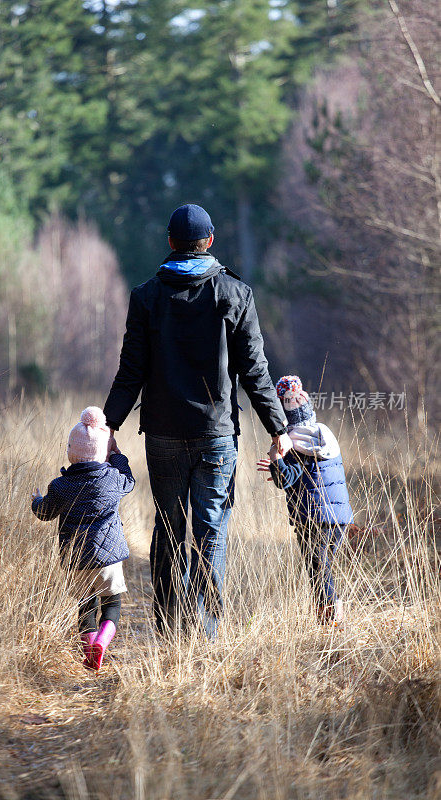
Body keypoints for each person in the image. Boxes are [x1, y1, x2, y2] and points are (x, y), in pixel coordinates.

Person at [104, 203, 291, 638]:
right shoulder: (235, 294)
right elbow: (255, 371)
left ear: (170, 242)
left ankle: (170, 628)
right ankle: (204, 631)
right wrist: (279, 430)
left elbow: (130, 371)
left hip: (164, 434)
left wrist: (109, 427)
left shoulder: (146, 297)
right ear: (210, 241)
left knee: (168, 526)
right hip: (216, 435)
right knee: (211, 529)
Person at [31, 406, 134, 671]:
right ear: (103, 453)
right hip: (109, 560)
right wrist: (117, 457)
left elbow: (45, 513)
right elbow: (129, 481)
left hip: (77, 559)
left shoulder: (60, 486)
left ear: (71, 452)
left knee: (85, 605)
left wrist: (36, 501)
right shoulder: (111, 478)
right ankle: (103, 639)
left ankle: (89, 648)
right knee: (112, 602)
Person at [257, 375, 354, 624]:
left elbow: (284, 481)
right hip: (339, 518)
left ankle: (331, 621)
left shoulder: (293, 443)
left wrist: (276, 459)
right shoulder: (322, 437)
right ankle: (331, 617)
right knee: (323, 569)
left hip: (313, 517)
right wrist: (281, 468)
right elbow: (308, 475)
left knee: (318, 571)